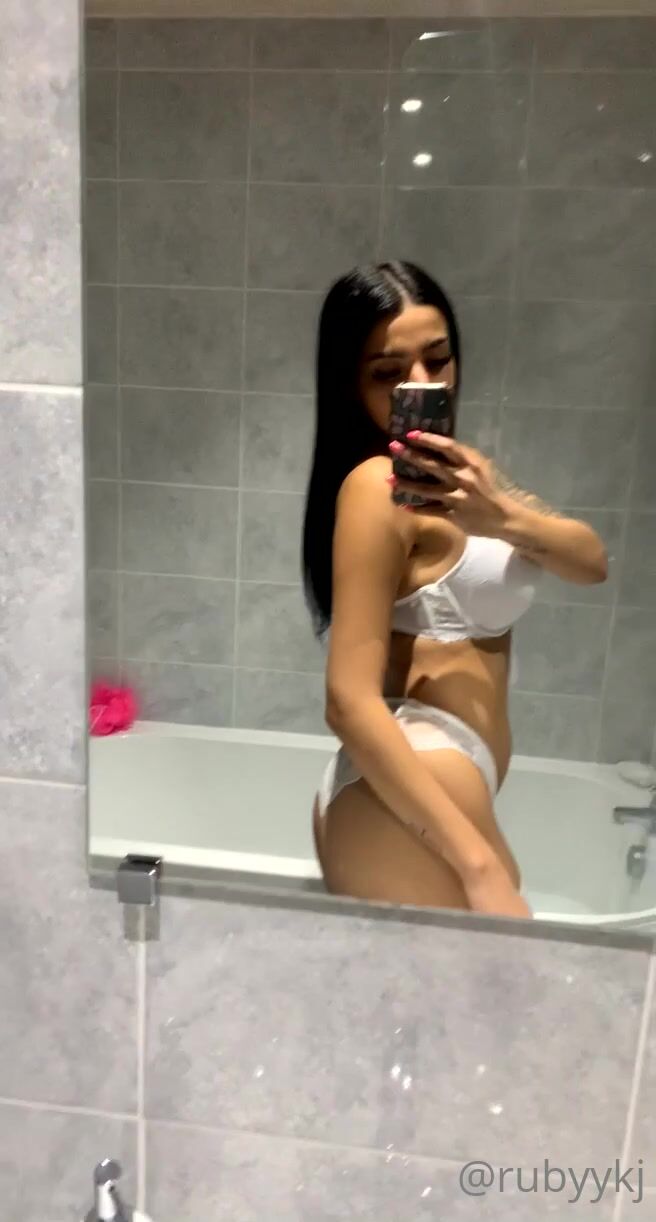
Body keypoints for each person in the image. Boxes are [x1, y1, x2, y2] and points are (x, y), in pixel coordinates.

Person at [302, 261, 608, 919]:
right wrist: (477, 866)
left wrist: (499, 514)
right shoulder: (375, 489)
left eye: (438, 360)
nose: (422, 383)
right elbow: (348, 701)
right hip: (411, 790)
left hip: (438, 784)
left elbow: (590, 562)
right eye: (389, 372)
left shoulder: (468, 478)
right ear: (351, 384)